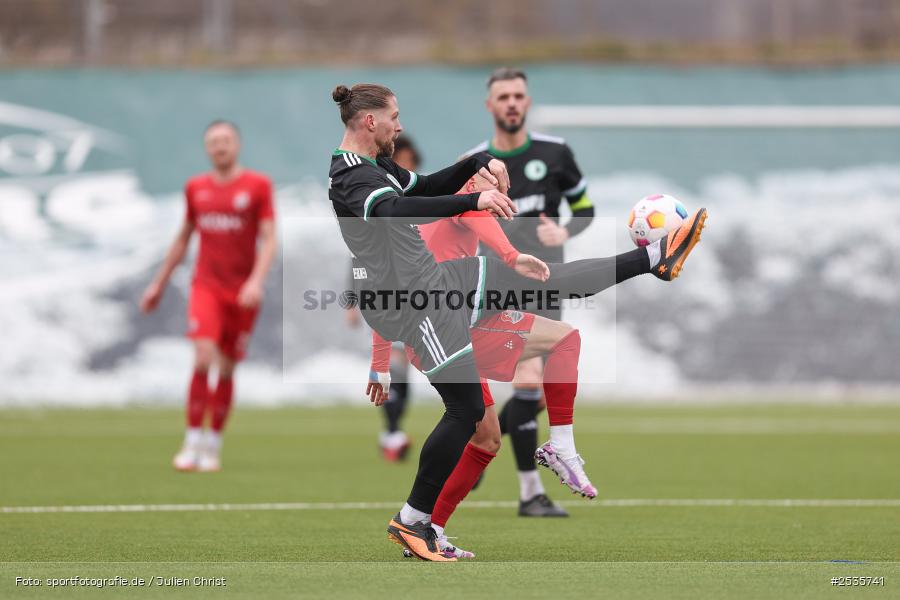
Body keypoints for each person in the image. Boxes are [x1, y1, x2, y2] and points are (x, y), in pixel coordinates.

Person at [328, 82, 705, 561]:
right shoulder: (349, 177)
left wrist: (475, 166)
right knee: (466, 413)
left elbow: (421, 187)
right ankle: (412, 521)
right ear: (369, 122)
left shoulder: (375, 166)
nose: (400, 126)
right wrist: (473, 201)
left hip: (437, 280)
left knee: (546, 281)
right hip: (413, 303)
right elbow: (395, 209)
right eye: (394, 117)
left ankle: (654, 256)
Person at [462, 67, 596, 517]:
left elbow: (585, 208)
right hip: (498, 282)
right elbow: (460, 220)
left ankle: (480, 436)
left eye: (518, 95)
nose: (512, 103)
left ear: (528, 102)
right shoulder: (474, 162)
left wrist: (564, 230)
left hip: (545, 279)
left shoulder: (556, 153)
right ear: (490, 106)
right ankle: (529, 492)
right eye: (503, 97)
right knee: (530, 382)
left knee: (537, 389)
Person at [140, 120, 277, 473]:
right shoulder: (195, 188)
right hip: (206, 287)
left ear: (237, 145)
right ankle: (191, 442)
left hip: (243, 293)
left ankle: (212, 444)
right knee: (202, 357)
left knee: (227, 368)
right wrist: (158, 283)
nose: (220, 146)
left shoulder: (258, 186)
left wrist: (255, 282)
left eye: (226, 140)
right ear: (206, 148)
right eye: (213, 141)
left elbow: (269, 238)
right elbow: (183, 237)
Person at [346, 135, 423, 461]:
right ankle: (392, 432)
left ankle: (393, 429)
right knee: (393, 361)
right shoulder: (375, 199)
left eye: (409, 163)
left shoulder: (422, 200)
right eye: (399, 161)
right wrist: (352, 299)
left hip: (419, 293)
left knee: (407, 364)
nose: (404, 167)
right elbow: (359, 251)